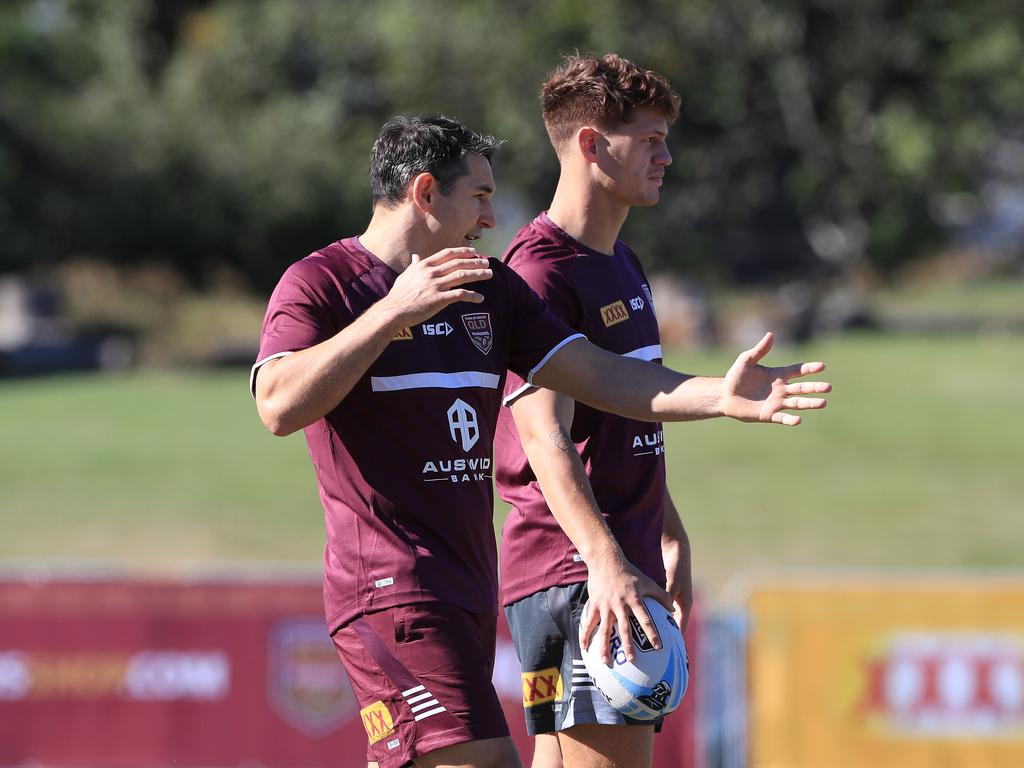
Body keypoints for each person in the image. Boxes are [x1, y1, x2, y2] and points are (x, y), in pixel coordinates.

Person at [251, 114, 829, 768]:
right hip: (389, 590)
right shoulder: (323, 283)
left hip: (468, 590)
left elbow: (598, 374)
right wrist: (391, 313)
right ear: (424, 192)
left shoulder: (488, 289)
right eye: (480, 196)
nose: (492, 218)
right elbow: (277, 405)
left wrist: (719, 396)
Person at [492, 53, 796, 768]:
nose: (667, 156)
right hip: (577, 571)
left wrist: (669, 532)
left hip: (615, 562)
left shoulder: (622, 263)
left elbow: (621, 429)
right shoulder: (539, 271)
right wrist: (604, 561)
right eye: (651, 138)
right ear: (593, 144)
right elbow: (543, 437)